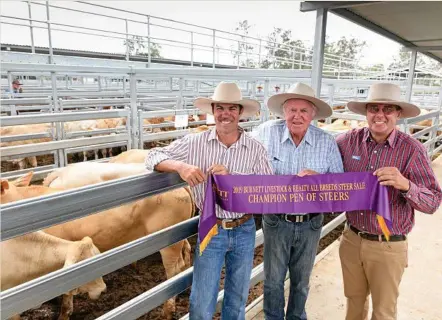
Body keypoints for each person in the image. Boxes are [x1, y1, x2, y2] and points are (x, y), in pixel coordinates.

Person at [145, 81, 273, 320]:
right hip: (211, 227)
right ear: (212, 111)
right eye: (220, 108)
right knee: (202, 299)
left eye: (232, 108)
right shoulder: (195, 143)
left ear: (240, 112)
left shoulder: (255, 148)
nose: (226, 114)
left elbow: (268, 186)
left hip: (244, 226)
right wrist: (180, 166)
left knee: (237, 297)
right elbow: (153, 155)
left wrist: (233, 179)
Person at [336, 82, 442, 320]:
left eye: (388, 109)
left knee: (384, 311)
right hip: (351, 238)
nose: (380, 115)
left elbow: (433, 201)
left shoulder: (412, 150)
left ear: (398, 113)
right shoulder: (347, 142)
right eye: (374, 108)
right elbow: (327, 174)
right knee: (353, 301)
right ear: (366, 112)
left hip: (387, 245)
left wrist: (406, 185)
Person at [253, 82, 344, 320]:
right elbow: (244, 160)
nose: (297, 116)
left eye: (304, 111)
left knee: (301, 282)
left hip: (311, 222)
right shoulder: (265, 133)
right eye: (292, 110)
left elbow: (339, 183)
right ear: (283, 112)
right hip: (275, 219)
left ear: (313, 114)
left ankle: (296, 317)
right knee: (272, 280)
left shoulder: (326, 141)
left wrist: (319, 180)